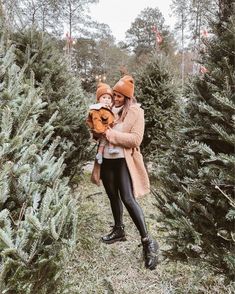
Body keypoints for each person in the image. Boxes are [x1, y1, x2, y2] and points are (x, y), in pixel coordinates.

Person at [92, 74, 159, 270]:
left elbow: (135, 140)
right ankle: (119, 230)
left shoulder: (137, 112)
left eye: (120, 96)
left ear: (128, 97)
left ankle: (148, 242)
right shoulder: (108, 109)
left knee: (128, 198)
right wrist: (96, 130)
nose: (116, 98)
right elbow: (98, 133)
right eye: (114, 95)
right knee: (112, 195)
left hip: (124, 161)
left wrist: (110, 134)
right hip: (107, 160)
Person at [86, 82, 119, 164]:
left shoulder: (107, 108)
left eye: (109, 98)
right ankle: (109, 150)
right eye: (104, 97)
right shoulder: (97, 109)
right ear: (99, 99)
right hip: (103, 130)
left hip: (108, 128)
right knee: (107, 139)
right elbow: (97, 122)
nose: (106, 100)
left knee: (103, 142)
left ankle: (100, 154)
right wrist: (103, 131)